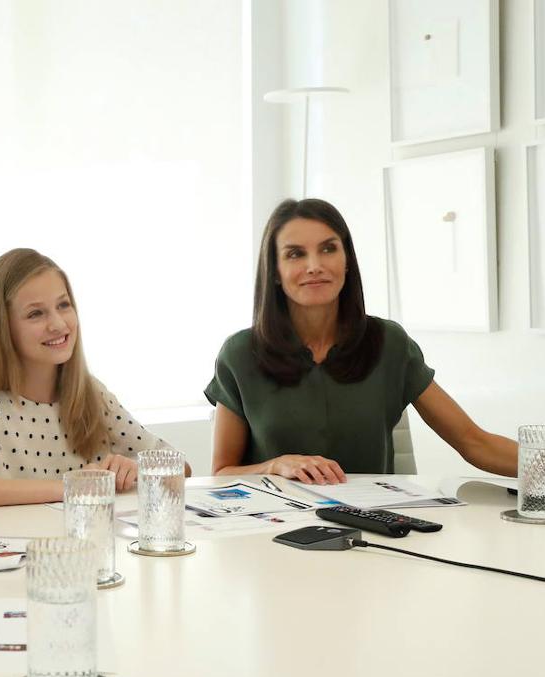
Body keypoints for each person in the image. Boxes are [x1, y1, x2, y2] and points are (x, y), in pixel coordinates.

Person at [205, 198, 517, 484]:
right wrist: (276, 465)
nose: (314, 265)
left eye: (328, 249)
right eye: (295, 254)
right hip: (270, 534)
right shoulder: (240, 354)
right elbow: (222, 473)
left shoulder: (389, 343)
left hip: (373, 531)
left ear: (347, 261)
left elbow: (474, 441)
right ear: (274, 270)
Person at [0, 248, 184, 507]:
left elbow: (181, 467)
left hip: (88, 547)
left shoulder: (91, 394)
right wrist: (69, 487)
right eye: (36, 313)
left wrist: (137, 469)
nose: (58, 324)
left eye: (63, 305)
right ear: (2, 327)